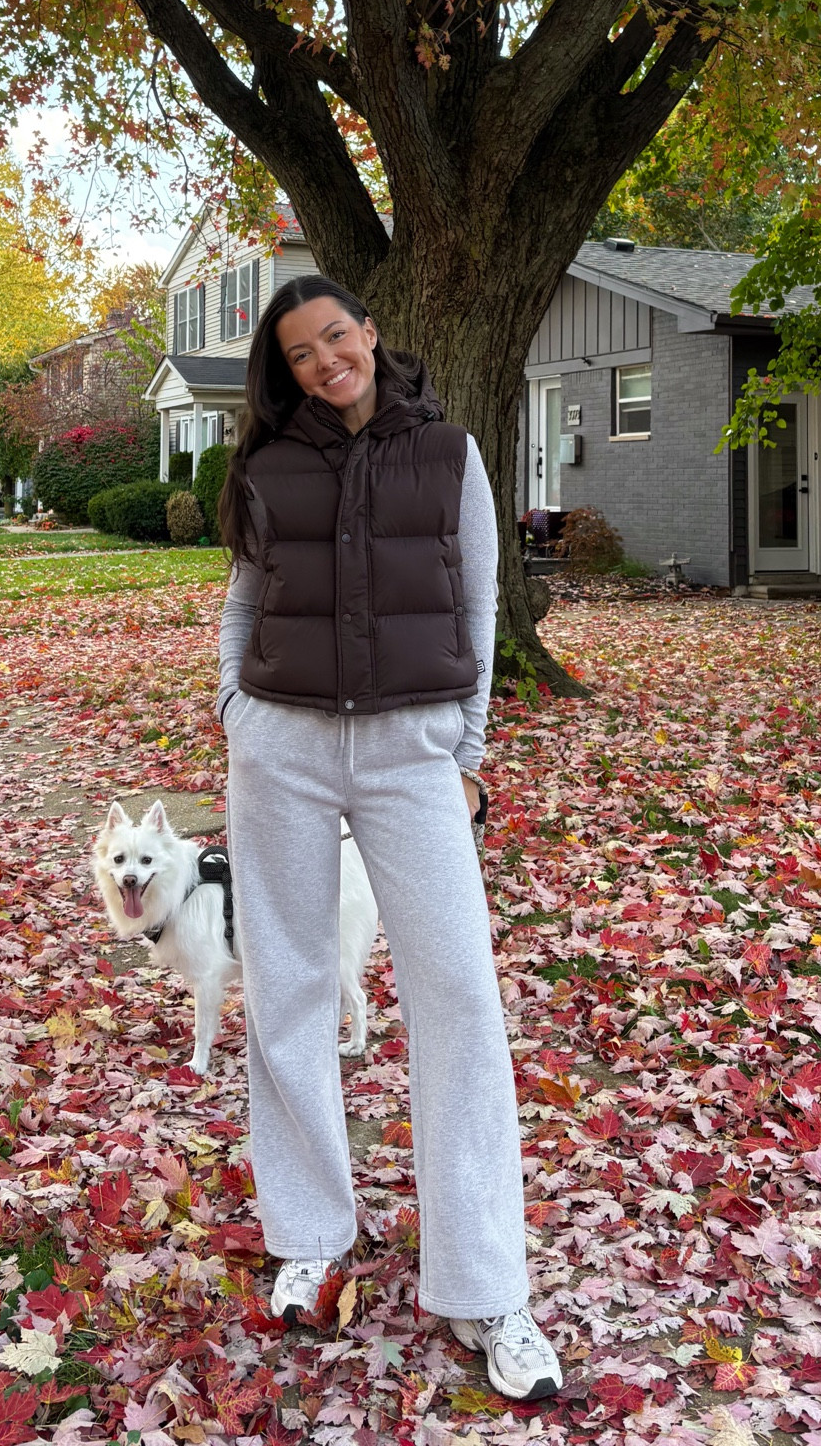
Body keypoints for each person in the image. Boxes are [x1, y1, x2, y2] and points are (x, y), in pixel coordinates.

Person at [215, 274, 563, 1402]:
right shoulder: (266, 462)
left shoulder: (450, 451)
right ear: (288, 370)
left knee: (460, 993)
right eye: (302, 353)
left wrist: (462, 755)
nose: (325, 361)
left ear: (369, 334)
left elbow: (480, 605)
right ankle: (311, 1235)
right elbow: (241, 596)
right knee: (290, 983)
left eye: (336, 337)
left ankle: (483, 1284)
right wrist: (235, 708)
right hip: (285, 750)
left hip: (413, 751)